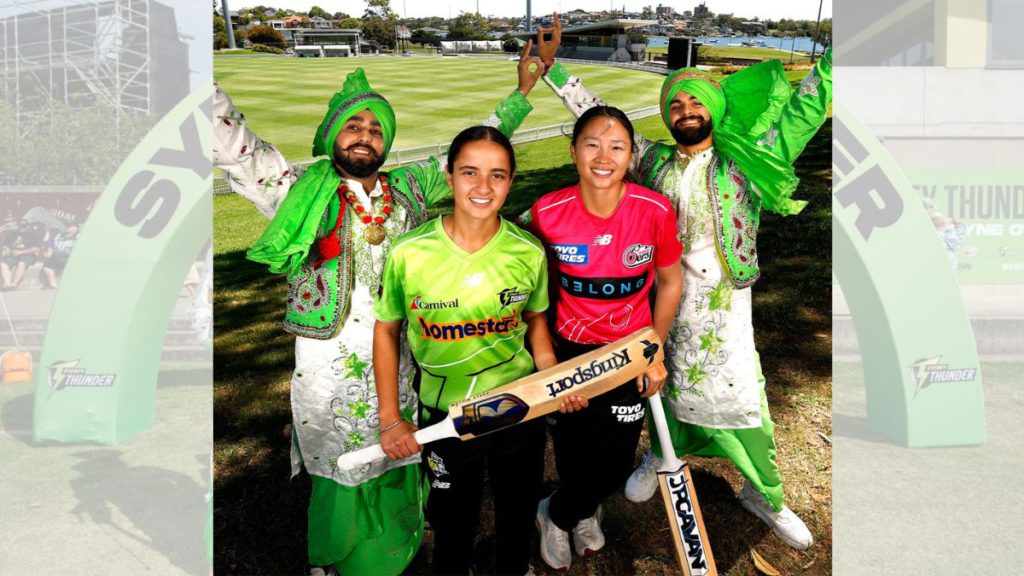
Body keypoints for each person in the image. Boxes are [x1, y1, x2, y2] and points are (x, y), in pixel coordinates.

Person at [213, 43, 547, 576]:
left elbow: (469, 155)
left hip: (400, 357)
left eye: (375, 128)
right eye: (354, 125)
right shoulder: (296, 191)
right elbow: (238, 147)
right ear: (332, 134)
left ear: (386, 143)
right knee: (340, 461)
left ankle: (396, 547)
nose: (365, 134)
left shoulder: (408, 188)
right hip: (329, 366)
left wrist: (522, 93)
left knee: (399, 449)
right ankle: (338, 556)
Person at [533, 14, 832, 551]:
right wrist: (555, 73)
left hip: (726, 309)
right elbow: (602, 126)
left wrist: (837, 60)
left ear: (711, 110)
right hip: (661, 305)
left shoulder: (748, 160)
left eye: (696, 103)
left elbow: (803, 111)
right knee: (658, 388)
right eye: (676, 104)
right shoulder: (651, 163)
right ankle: (660, 454)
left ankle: (765, 494)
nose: (686, 112)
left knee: (746, 400)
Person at [376, 125, 578, 576]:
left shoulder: (527, 251)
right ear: (449, 177)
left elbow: (536, 326)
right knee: (452, 519)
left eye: (498, 175)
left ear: (511, 181)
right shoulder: (409, 252)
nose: (483, 187)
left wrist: (555, 382)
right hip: (446, 415)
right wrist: (391, 417)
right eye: (470, 172)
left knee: (516, 508)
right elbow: (386, 331)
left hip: (517, 408)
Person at [520, 106, 684, 570]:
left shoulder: (654, 210)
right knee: (574, 448)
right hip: (571, 353)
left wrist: (653, 351)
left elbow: (669, 283)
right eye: (592, 143)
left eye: (617, 146)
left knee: (614, 463)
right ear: (573, 151)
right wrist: (547, 359)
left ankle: (560, 508)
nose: (603, 156)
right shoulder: (546, 212)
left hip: (629, 353)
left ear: (631, 156)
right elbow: (531, 291)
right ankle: (563, 514)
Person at [41, 224, 78, 289]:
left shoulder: (79, 237)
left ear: (75, 228)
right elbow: (50, 248)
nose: (66, 228)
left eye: (69, 226)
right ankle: (54, 285)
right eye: (66, 226)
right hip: (57, 259)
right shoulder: (57, 237)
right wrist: (48, 253)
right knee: (46, 266)